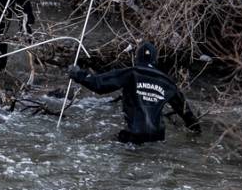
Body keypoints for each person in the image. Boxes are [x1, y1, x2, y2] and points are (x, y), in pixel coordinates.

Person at [67, 41, 201, 144]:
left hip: (133, 136)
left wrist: (78, 74)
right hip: (158, 138)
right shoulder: (168, 83)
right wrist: (196, 130)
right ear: (155, 60)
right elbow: (185, 111)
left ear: (137, 59)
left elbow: (100, 85)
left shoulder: (131, 73)